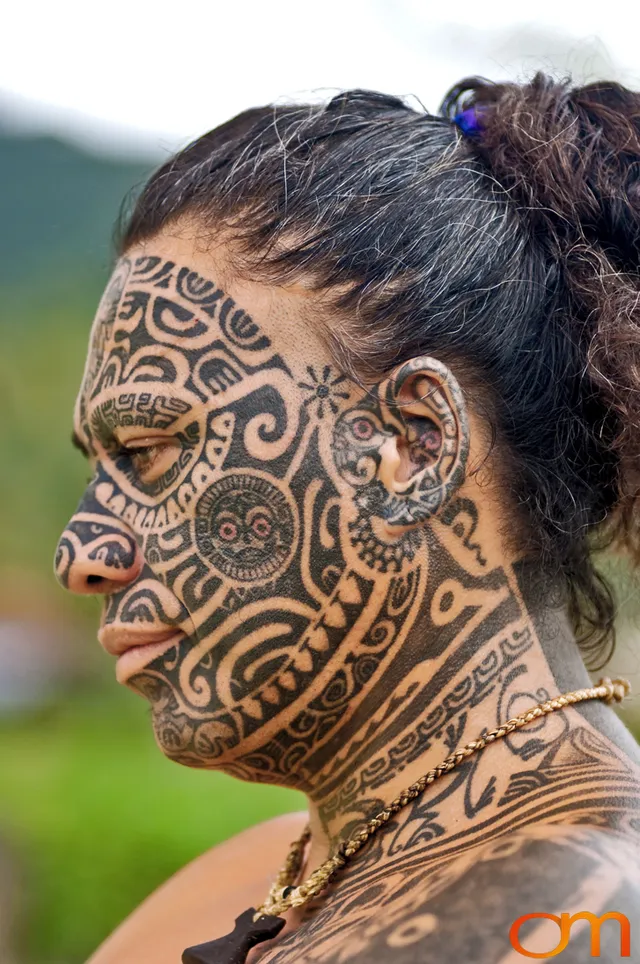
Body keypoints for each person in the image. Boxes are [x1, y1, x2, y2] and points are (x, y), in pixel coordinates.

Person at [54, 72, 640, 963]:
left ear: (414, 444)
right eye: (99, 471)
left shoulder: (573, 910)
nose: (82, 553)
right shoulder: (258, 875)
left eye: (150, 449)